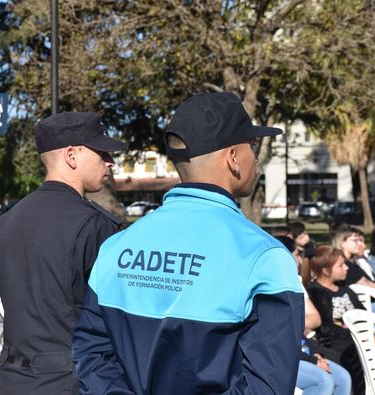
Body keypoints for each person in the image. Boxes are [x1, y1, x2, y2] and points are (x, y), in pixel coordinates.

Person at [73, 92, 304, 394]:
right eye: (251, 146)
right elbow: (267, 385)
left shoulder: (116, 247)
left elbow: (91, 355)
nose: (256, 158)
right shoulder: (265, 256)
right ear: (233, 158)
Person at [0, 112, 126, 394]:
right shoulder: (96, 227)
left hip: (11, 379)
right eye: (101, 152)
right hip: (72, 381)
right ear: (71, 156)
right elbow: (115, 322)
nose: (110, 162)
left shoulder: (3, 225)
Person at [275, 236, 352, 395]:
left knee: (343, 378)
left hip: (306, 347)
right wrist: (311, 358)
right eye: (297, 254)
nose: (301, 260)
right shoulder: (274, 288)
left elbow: (312, 320)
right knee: (323, 380)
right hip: (283, 356)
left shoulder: (295, 282)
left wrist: (313, 351)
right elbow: (281, 331)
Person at [307, 245, 372, 395]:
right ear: (326, 270)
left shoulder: (345, 289)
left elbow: (363, 314)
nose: (346, 268)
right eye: (341, 265)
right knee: (355, 353)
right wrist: (363, 338)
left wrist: (370, 335)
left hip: (357, 337)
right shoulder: (316, 292)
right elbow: (326, 328)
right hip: (334, 343)